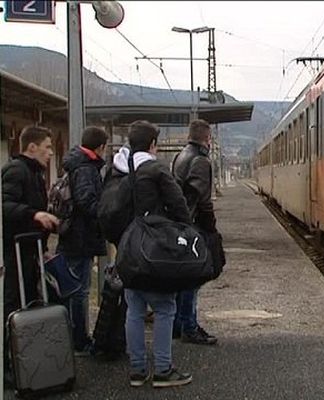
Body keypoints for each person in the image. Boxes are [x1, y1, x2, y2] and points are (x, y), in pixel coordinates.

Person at [110, 120, 192, 388]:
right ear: (153, 144)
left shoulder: (117, 168)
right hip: (154, 246)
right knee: (165, 307)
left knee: (134, 308)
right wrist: (183, 231)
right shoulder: (156, 169)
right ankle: (163, 369)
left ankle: (136, 370)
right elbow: (178, 205)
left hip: (127, 246)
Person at [2, 125, 59, 384]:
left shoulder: (34, 173)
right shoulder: (16, 170)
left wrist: (44, 248)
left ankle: (28, 360)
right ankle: (7, 364)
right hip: (15, 250)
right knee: (13, 305)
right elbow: (4, 205)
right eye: (47, 147)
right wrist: (34, 214)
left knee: (31, 303)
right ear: (32, 147)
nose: (50, 153)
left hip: (31, 249)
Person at [57, 126, 108, 356]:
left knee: (73, 289)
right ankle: (79, 340)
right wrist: (106, 211)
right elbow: (87, 202)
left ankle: (72, 337)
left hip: (73, 236)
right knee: (80, 291)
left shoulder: (76, 164)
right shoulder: (86, 169)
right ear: (100, 147)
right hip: (80, 237)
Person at [171, 119, 218, 345]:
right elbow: (203, 200)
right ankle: (189, 326)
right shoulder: (200, 161)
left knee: (182, 279)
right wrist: (210, 229)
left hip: (179, 223)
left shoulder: (180, 156)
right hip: (192, 225)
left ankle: (178, 324)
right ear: (207, 138)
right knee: (193, 278)